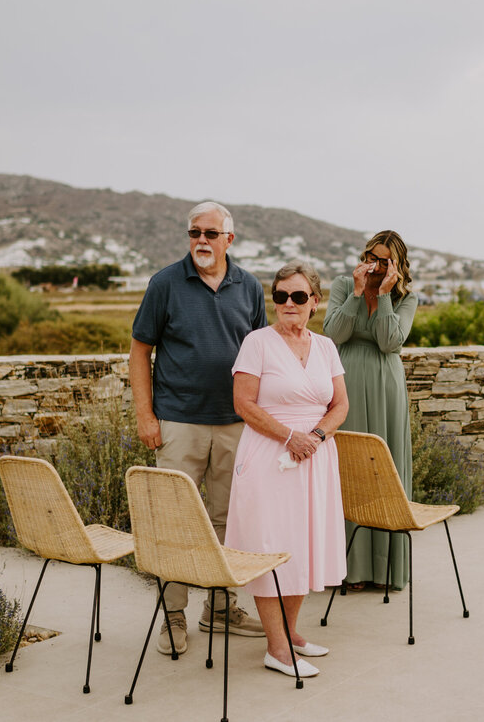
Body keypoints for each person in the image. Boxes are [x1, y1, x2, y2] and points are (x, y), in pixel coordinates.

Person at [129, 200, 267, 656]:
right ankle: (173, 615)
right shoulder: (165, 283)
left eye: (210, 233)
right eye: (194, 233)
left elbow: (262, 356)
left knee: (230, 521)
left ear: (230, 238)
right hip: (179, 423)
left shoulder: (248, 287)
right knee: (173, 522)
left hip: (235, 425)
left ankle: (221, 608)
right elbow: (139, 352)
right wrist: (146, 416)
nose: (201, 241)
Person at [224, 261, 349, 678]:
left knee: (303, 544)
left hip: (315, 455)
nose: (288, 303)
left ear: (315, 301)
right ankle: (276, 648)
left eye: (298, 296)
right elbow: (244, 404)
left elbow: (341, 405)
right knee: (270, 545)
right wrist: (288, 436)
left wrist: (315, 435)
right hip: (269, 456)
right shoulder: (257, 343)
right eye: (280, 296)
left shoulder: (326, 347)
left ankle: (292, 634)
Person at [322, 230, 418, 590]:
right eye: (372, 257)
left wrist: (383, 297)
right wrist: (360, 293)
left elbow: (390, 341)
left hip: (385, 387)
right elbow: (334, 333)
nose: (376, 266)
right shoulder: (344, 286)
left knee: (384, 472)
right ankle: (347, 568)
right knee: (347, 472)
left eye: (385, 260)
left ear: (396, 264)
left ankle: (384, 570)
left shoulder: (408, 298)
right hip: (344, 385)